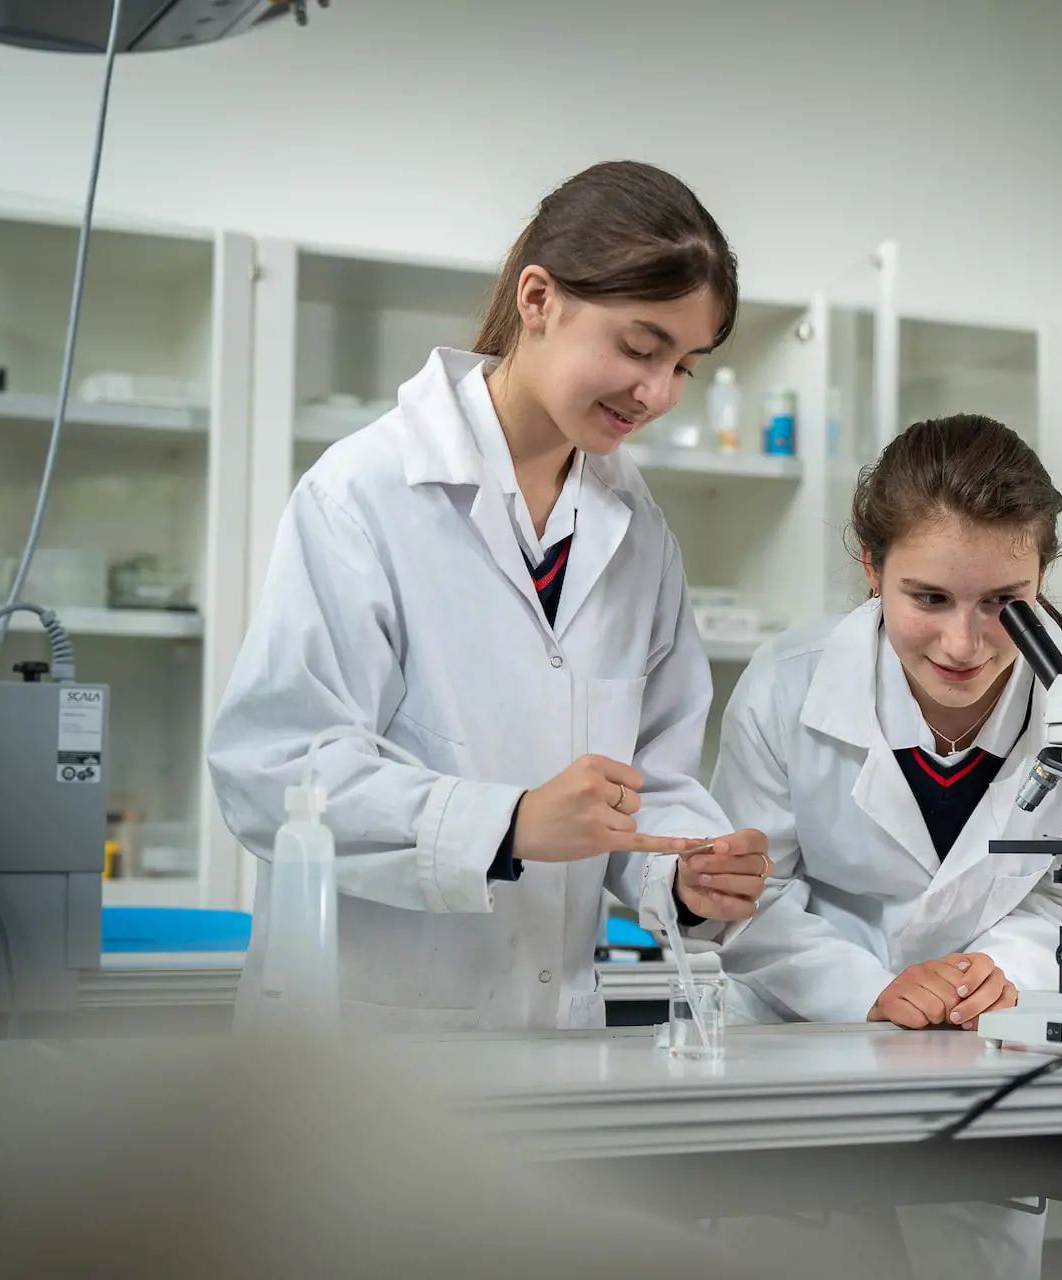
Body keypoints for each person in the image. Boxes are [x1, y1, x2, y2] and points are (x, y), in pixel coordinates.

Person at [207, 161, 770, 1033]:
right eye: (639, 347)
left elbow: (649, 781)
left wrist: (685, 873)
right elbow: (276, 768)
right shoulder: (364, 493)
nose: (657, 393)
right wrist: (507, 824)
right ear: (537, 299)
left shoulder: (638, 536)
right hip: (364, 1049)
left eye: (686, 366)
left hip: (551, 1036)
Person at [710, 413, 1062, 1280]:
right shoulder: (786, 685)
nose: (963, 643)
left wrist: (1005, 967)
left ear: (1044, 574)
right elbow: (751, 898)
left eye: (1004, 604)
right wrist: (874, 990)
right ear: (872, 570)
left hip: (984, 1066)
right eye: (929, 599)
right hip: (805, 1051)